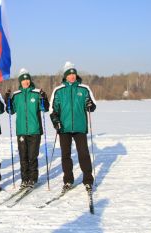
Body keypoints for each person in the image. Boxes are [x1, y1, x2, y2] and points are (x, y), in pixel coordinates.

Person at [49, 61, 96, 193]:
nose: (72, 77)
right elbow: (53, 110)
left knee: (84, 154)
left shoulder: (84, 89)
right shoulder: (58, 91)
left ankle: (88, 180)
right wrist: (55, 121)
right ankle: (68, 180)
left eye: (73, 74)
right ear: (65, 76)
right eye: (69, 75)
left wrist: (89, 105)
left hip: (80, 127)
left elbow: (92, 106)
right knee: (66, 155)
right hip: (64, 128)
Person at [5, 68, 49, 189]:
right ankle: (24, 179)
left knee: (32, 157)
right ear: (20, 82)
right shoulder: (17, 95)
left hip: (35, 130)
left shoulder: (36, 93)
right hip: (21, 131)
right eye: (24, 80)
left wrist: (44, 98)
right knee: (23, 157)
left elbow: (45, 109)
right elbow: (10, 111)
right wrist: (7, 100)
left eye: (27, 80)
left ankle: (33, 179)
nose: (26, 82)